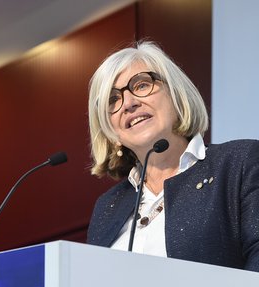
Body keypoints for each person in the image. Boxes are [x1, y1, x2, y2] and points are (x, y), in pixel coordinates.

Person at [86, 41, 259, 271]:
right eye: (113, 100)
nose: (128, 103)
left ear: (176, 94)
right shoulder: (108, 205)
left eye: (141, 85)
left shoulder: (239, 164)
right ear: (111, 131)